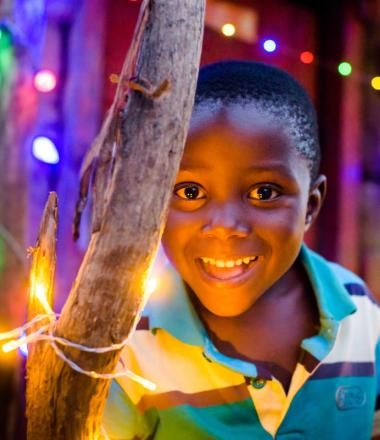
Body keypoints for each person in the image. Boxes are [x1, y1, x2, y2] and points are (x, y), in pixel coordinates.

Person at [102, 61, 380, 439]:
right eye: (190, 192)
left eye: (263, 193)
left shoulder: (359, 310)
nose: (224, 226)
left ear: (311, 206)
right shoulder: (128, 348)